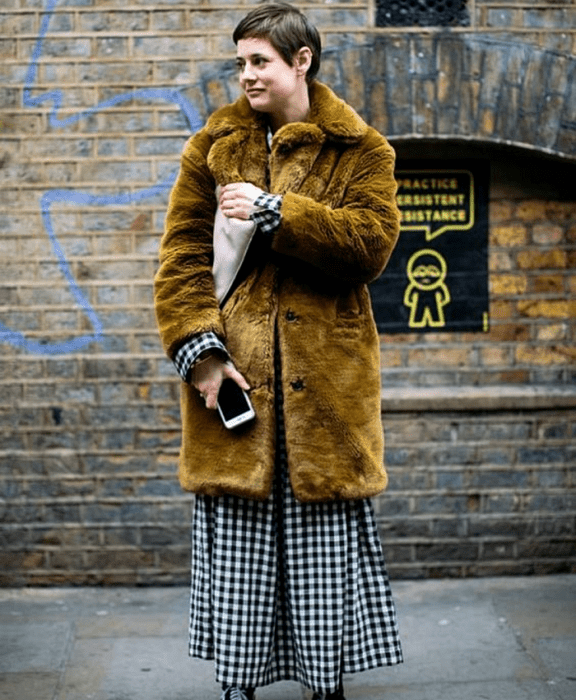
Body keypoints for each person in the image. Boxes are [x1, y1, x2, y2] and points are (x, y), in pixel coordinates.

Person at [154, 3, 403, 699]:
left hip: (328, 388)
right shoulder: (212, 146)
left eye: (259, 61)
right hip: (234, 377)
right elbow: (180, 260)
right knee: (239, 548)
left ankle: (326, 684)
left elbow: (370, 246)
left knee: (323, 544)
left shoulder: (362, 150)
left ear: (302, 60)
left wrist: (276, 211)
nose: (246, 76)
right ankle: (239, 686)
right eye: (239, 63)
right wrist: (200, 355)